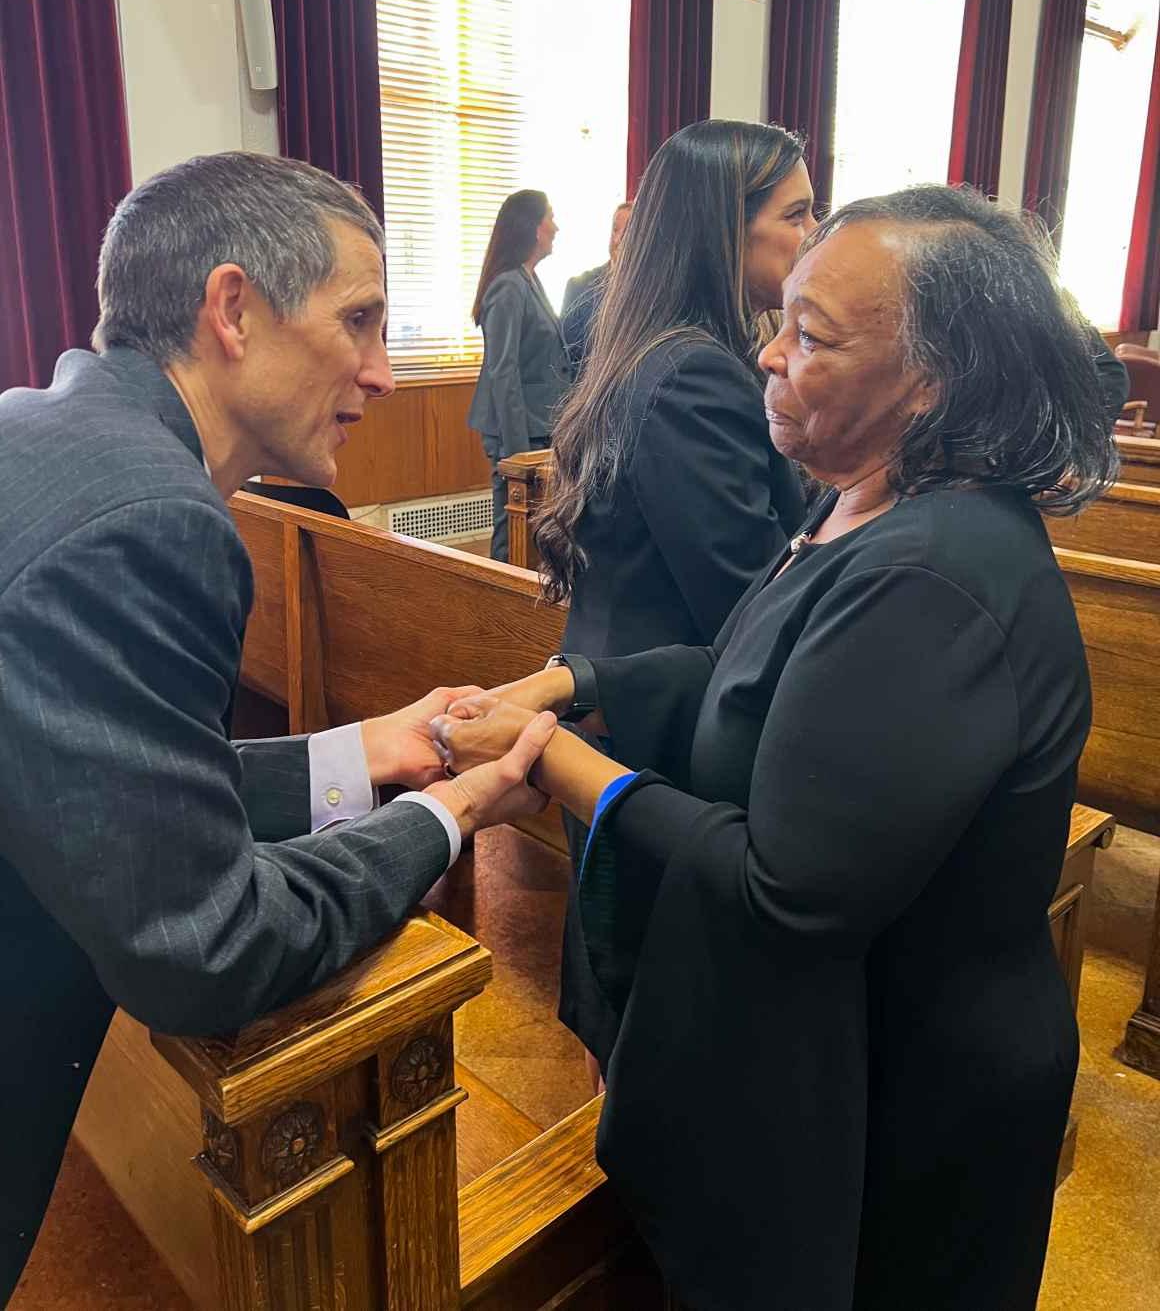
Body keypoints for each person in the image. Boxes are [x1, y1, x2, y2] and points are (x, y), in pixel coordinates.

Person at [433, 184, 1117, 1311]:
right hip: (827, 1046)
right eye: (779, 317)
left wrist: (549, 755)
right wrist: (569, 682)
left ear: (933, 378)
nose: (765, 353)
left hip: (904, 1084)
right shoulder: (862, 498)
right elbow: (748, 671)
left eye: (811, 336)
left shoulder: (933, 571)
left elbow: (782, 883)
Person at [0, 152, 556, 1301]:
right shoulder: (152, 517)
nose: (384, 372)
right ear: (234, 309)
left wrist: (363, 752)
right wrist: (448, 815)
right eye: (357, 319)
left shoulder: (50, 429)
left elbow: (110, 775)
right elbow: (209, 946)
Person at [535, 120, 816, 1074]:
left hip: (622, 686)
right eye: (797, 214)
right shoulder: (695, 369)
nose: (814, 234)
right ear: (722, 230)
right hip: (656, 714)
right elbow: (747, 591)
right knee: (656, 998)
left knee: (635, 975)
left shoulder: (655, 345)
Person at [467, 189, 570, 562]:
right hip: (517, 431)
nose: (556, 227)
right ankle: (498, 607)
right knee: (510, 529)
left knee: (530, 529)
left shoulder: (529, 280)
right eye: (551, 217)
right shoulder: (508, 286)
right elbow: (502, 371)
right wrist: (515, 452)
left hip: (538, 424)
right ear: (533, 226)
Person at [559, 200, 633, 370]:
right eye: (615, 229)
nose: (618, 239)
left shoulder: (654, 291)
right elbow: (568, 352)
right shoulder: (579, 286)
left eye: (628, 231)